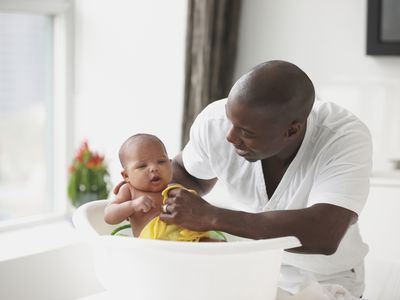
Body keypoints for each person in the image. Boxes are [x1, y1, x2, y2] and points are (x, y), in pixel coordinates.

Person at [155, 60, 372, 297]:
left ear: (292, 130)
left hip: (326, 279)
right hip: (253, 269)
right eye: (230, 120)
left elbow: (324, 233)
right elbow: (186, 173)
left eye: (247, 133)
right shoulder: (215, 123)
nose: (230, 136)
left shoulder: (343, 138)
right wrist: (156, 191)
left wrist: (212, 217)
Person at [104, 133, 224, 242]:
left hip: (188, 238)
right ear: (126, 175)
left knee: (217, 245)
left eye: (161, 162)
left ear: (171, 165)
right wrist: (132, 206)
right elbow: (108, 215)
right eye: (142, 166)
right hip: (154, 244)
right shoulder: (129, 191)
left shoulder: (174, 188)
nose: (154, 168)